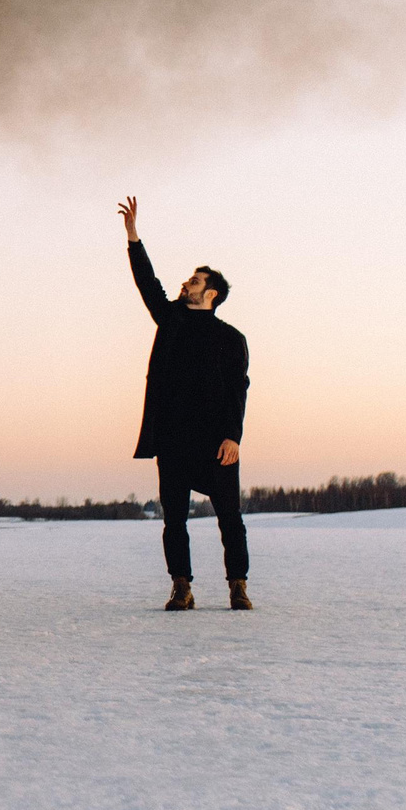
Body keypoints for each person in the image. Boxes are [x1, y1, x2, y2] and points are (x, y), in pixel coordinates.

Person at [117, 197, 250, 611]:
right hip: (173, 436)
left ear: (210, 293)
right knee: (174, 519)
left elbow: (238, 390)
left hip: (215, 442)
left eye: (195, 280)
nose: (186, 283)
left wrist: (234, 436)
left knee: (231, 520)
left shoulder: (232, 339)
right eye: (189, 278)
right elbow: (148, 283)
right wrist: (134, 238)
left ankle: (238, 586)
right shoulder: (171, 319)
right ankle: (181, 586)